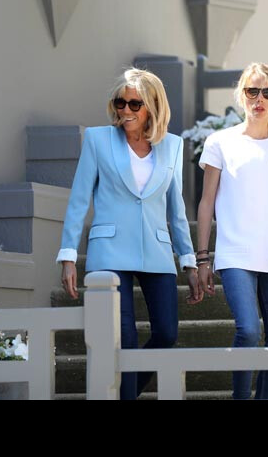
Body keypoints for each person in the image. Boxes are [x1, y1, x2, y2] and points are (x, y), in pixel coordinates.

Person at [56, 68, 200, 400]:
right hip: (110, 252)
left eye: (135, 104)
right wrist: (67, 256)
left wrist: (189, 261)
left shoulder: (172, 147)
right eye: (120, 103)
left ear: (152, 106)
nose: (125, 111)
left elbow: (175, 210)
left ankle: (126, 392)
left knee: (166, 333)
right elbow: (79, 200)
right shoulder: (98, 139)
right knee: (126, 339)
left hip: (157, 250)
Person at [196, 62, 268, 401]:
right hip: (235, 254)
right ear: (240, 95)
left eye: (267, 92)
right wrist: (203, 258)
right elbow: (206, 203)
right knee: (247, 330)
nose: (259, 99)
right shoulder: (220, 142)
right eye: (252, 91)